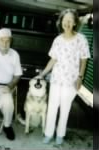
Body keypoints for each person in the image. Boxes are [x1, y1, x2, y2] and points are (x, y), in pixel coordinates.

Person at [38, 9, 90, 145]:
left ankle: (60, 134)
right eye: (64, 20)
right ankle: (49, 134)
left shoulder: (81, 39)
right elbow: (53, 60)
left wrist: (80, 77)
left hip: (71, 81)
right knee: (52, 107)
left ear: (74, 23)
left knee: (65, 108)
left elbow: (84, 60)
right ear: (61, 22)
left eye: (70, 20)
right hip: (56, 79)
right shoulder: (57, 40)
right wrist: (43, 73)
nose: (67, 23)